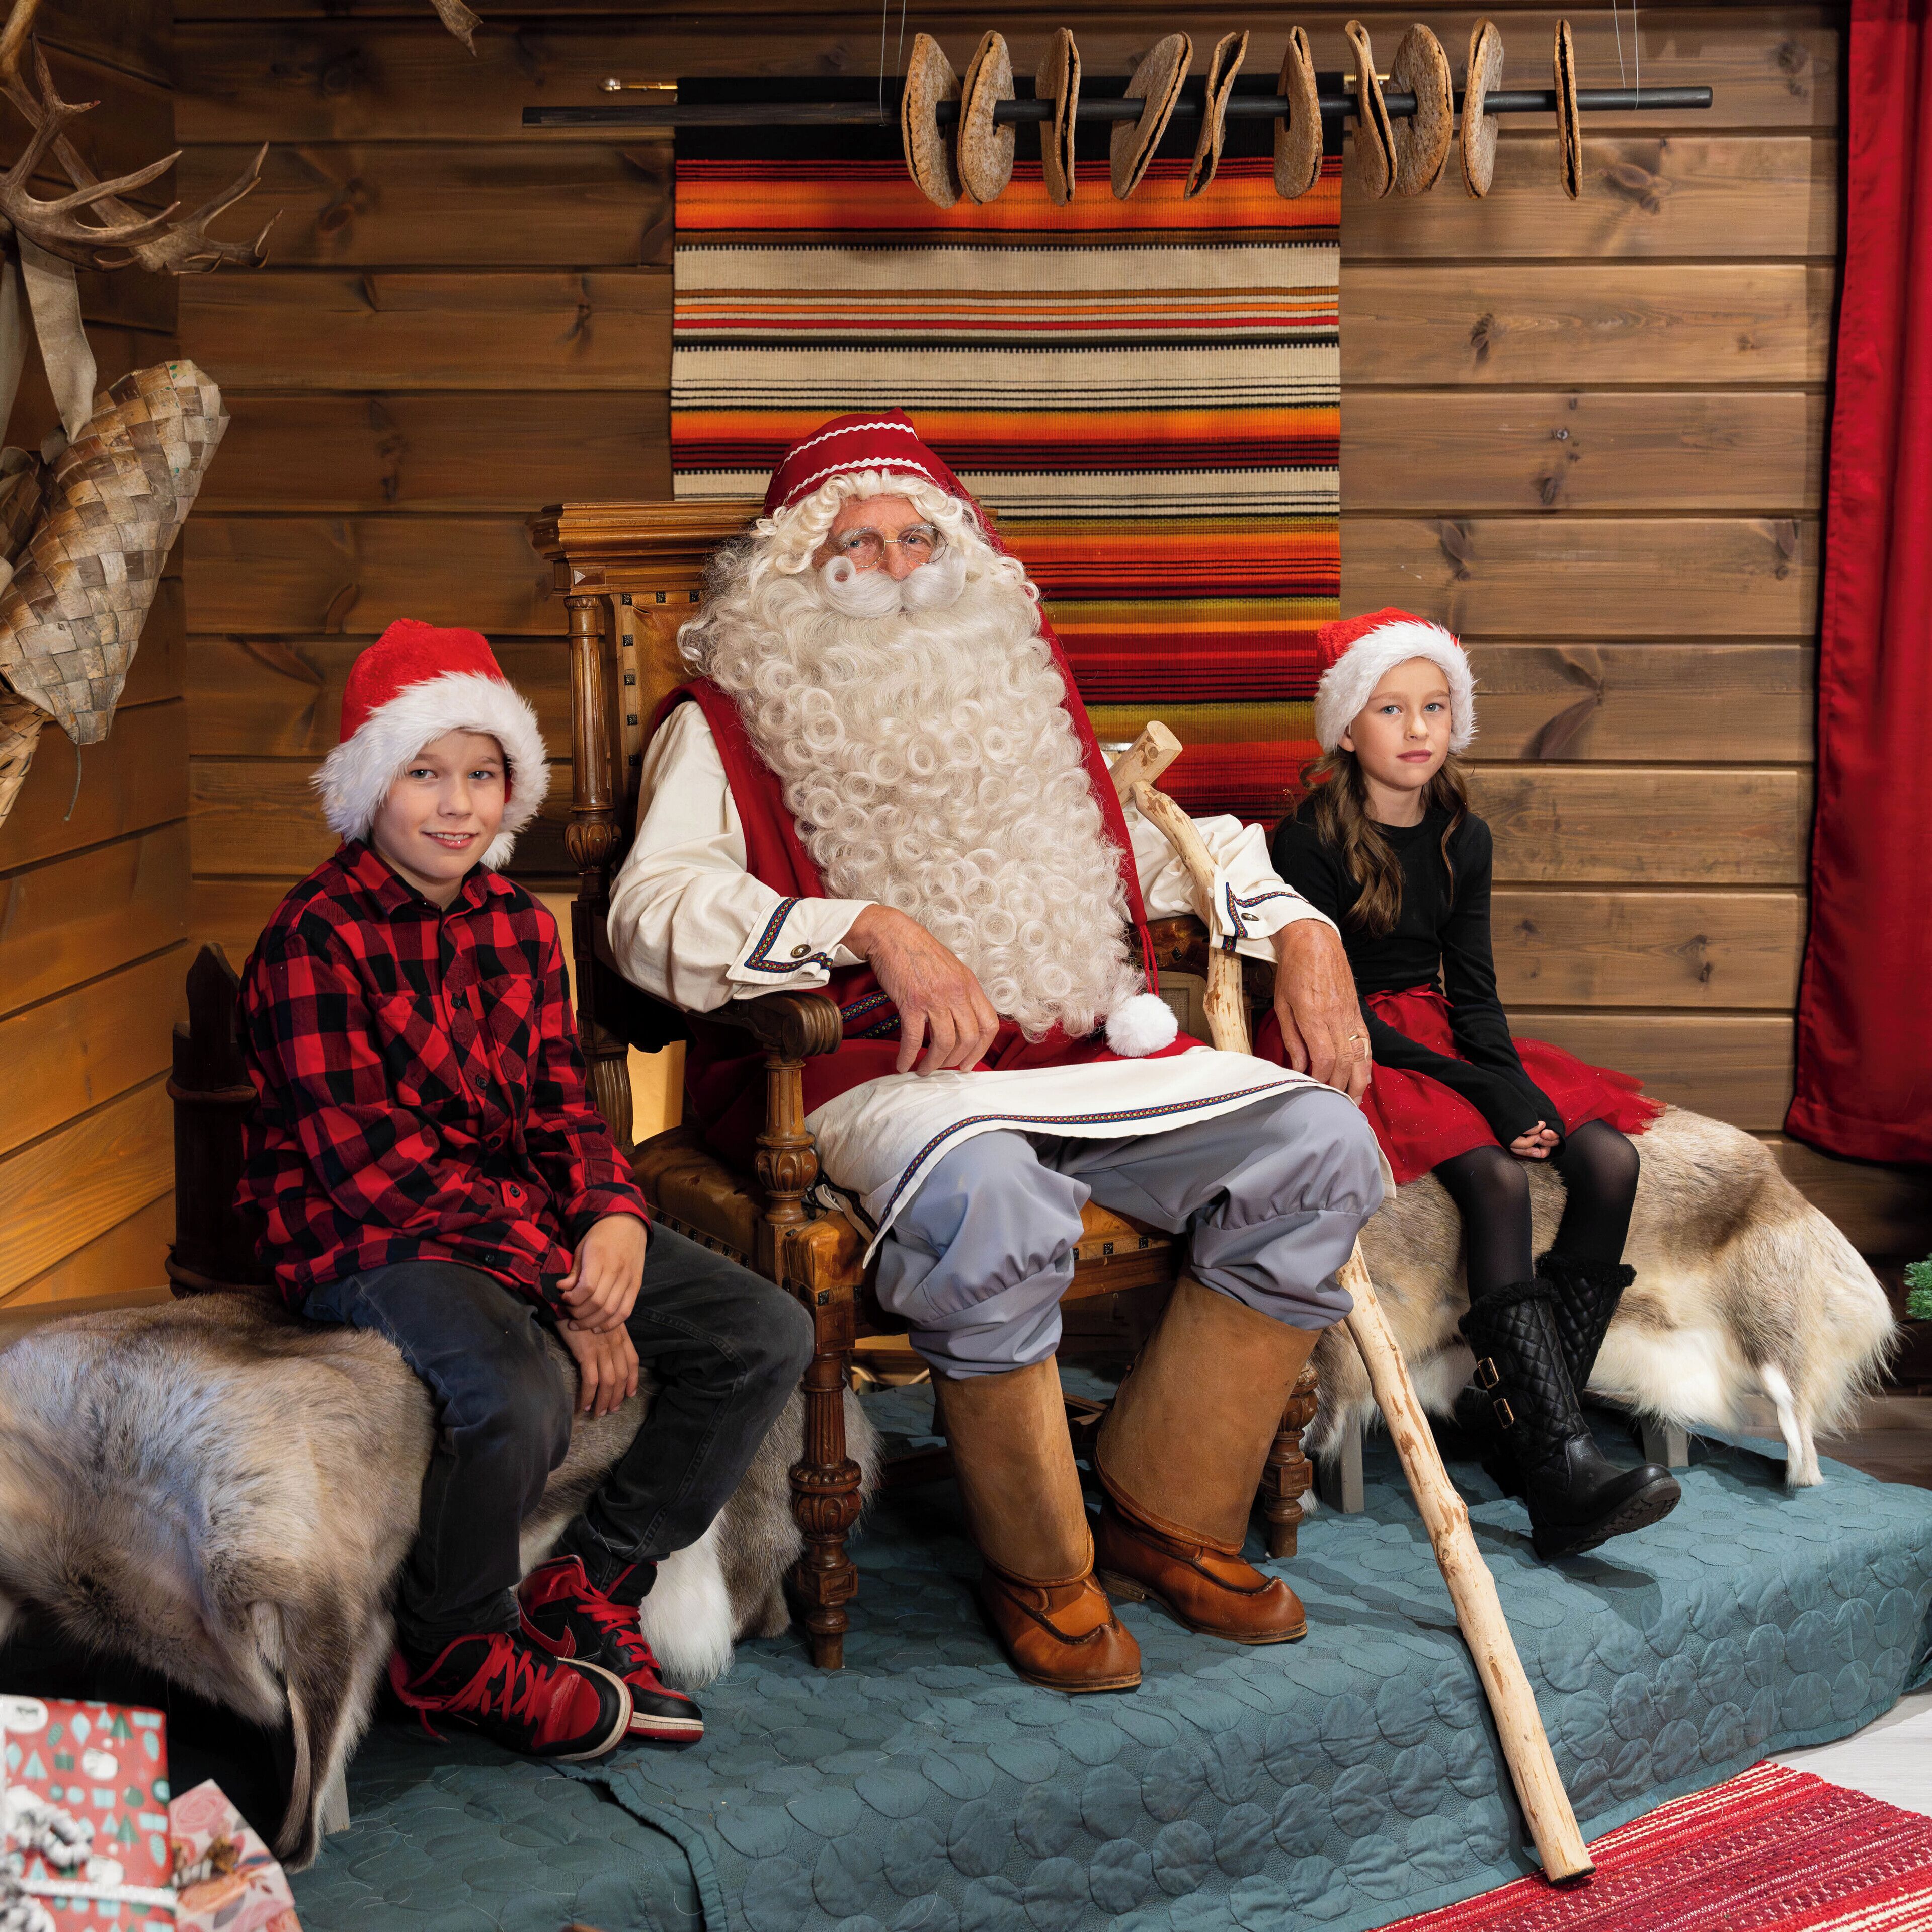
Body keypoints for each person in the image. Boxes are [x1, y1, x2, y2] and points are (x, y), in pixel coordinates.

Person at [605, 410, 1387, 1694]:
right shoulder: (725, 724)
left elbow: (1176, 848)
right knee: (991, 1195)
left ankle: (1162, 1510)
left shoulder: (1023, 704)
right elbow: (652, 917)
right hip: (874, 1079)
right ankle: (1040, 1564)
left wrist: (1301, 928)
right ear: (797, 576)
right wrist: (860, 924)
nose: (902, 563)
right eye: (859, 542)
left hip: (1083, 1059)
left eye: (922, 535)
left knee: (1320, 1142)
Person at [236, 619, 813, 1760]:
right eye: (424, 774)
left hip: (516, 1220)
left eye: (483, 775)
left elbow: (557, 1101)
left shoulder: (513, 922)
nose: (457, 806)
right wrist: (568, 1287)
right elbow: (371, 1167)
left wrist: (608, 1209)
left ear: (512, 787)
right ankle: (456, 1647)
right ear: (369, 786)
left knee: (763, 1329)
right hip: (364, 1235)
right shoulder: (313, 937)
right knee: (515, 1391)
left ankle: (592, 1586)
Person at [1265, 608, 1680, 1560]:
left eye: (1435, 707)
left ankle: (1538, 1430)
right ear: (1345, 729)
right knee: (1494, 1176)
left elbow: (1476, 992)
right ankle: (1561, 1466)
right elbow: (1343, 1012)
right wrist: (1484, 1097)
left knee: (1609, 1158)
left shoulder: (1464, 834)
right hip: (1361, 1041)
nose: (1417, 729)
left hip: (1444, 1032)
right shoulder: (1308, 842)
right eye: (1391, 709)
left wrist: (1510, 1082)